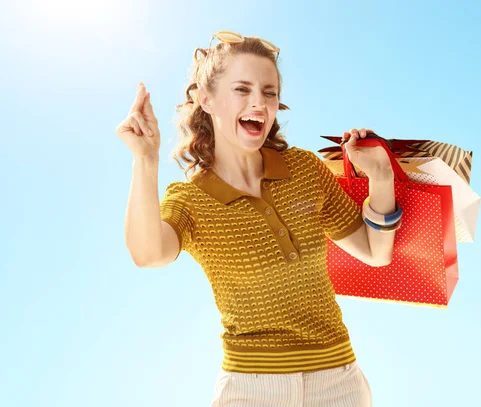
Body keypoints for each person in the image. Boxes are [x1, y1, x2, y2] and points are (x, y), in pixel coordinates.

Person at [116, 30, 401, 407]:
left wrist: (381, 178)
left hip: (341, 383)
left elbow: (375, 253)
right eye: (242, 89)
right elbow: (147, 254)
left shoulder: (304, 169)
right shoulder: (191, 199)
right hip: (251, 390)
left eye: (269, 92)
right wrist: (145, 159)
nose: (259, 103)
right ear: (206, 98)